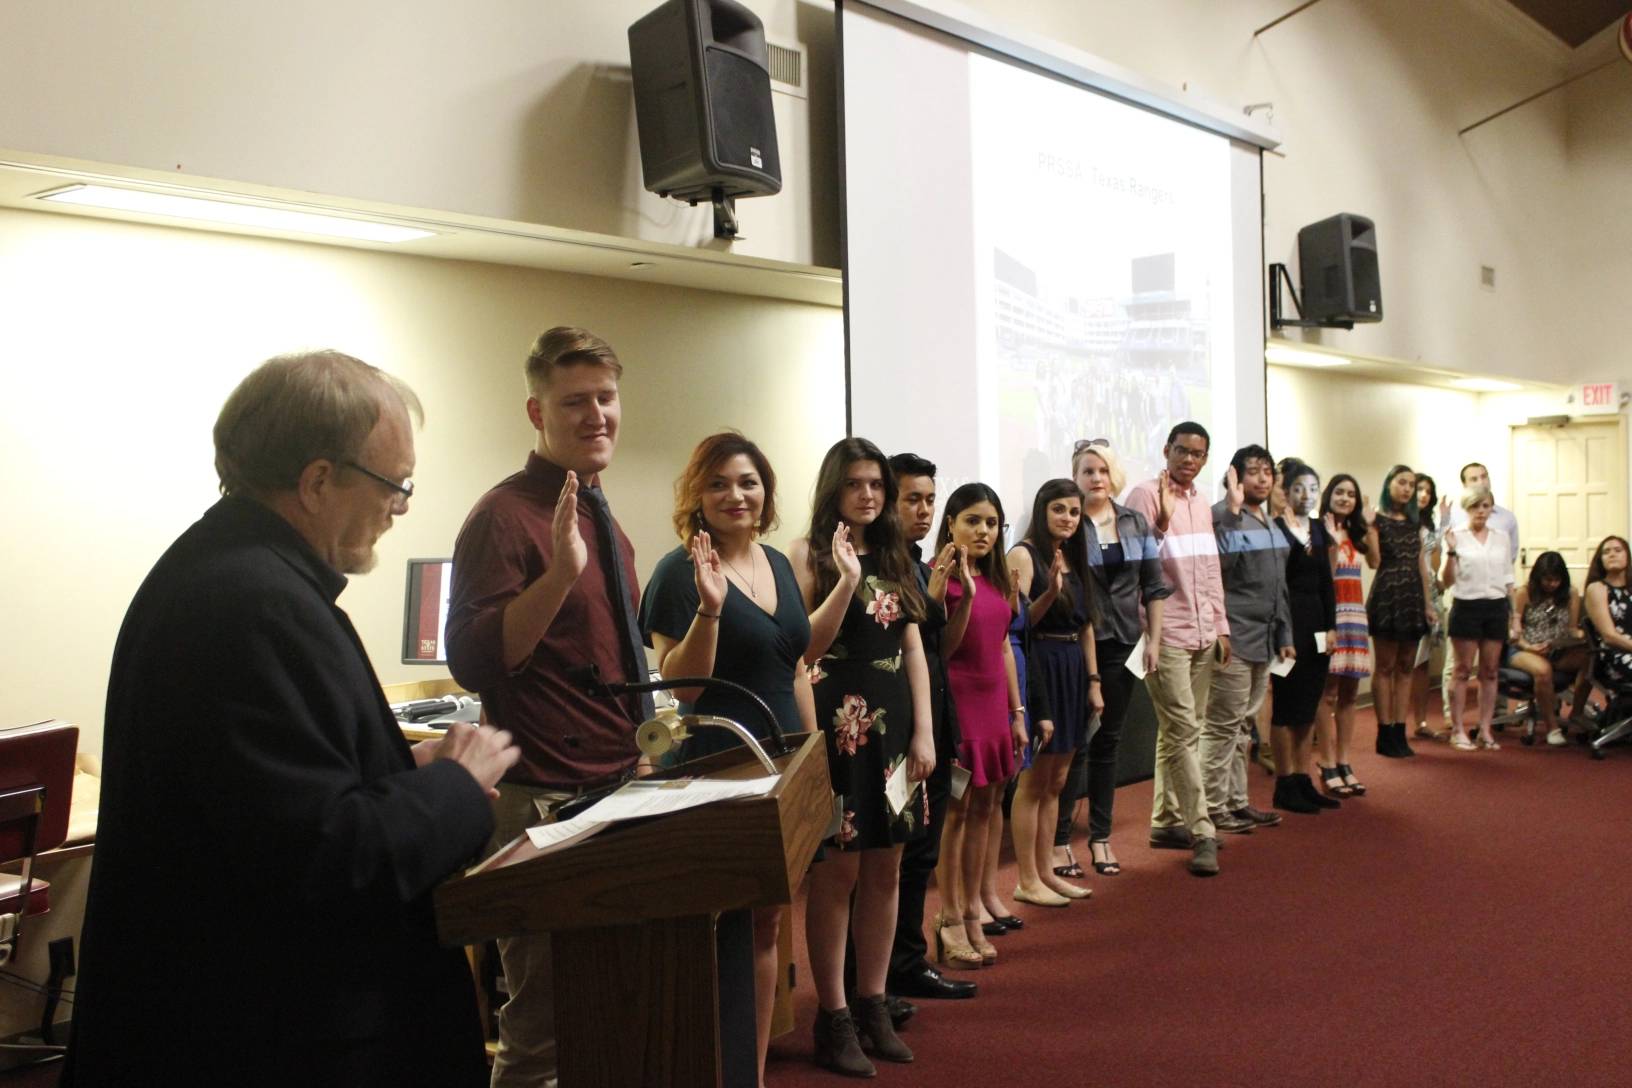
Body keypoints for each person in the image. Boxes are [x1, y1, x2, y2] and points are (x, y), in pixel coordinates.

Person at [66, 351, 518, 1087]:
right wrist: (457, 789)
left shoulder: (229, 572)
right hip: (263, 1040)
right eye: (394, 484)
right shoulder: (252, 605)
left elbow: (272, 807)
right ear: (316, 482)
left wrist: (403, 772)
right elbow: (328, 861)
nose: (399, 508)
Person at [446, 326, 653, 1088]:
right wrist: (559, 574)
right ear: (537, 412)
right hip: (543, 799)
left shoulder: (604, 516)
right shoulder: (504, 517)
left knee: (614, 1009)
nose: (596, 414)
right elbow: (472, 660)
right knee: (542, 1035)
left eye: (606, 397)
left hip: (619, 788)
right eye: (575, 401)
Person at [637, 432, 815, 1087]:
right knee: (719, 933)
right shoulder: (675, 573)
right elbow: (678, 688)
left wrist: (812, 758)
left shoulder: (777, 561)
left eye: (747, 481)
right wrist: (710, 612)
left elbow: (793, 663)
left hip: (782, 759)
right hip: (715, 761)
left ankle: (751, 1073)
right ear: (697, 496)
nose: (735, 495)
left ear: (764, 490)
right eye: (718, 484)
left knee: (767, 921)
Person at [792, 437, 934, 1077]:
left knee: (888, 868)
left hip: (895, 728)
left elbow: (913, 652)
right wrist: (846, 581)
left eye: (877, 484)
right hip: (836, 725)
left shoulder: (898, 555)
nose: (870, 495)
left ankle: (875, 1004)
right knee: (838, 874)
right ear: (833, 490)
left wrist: (925, 733)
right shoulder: (808, 556)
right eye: (856, 484)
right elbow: (802, 648)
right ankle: (834, 1015)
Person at [882, 453, 977, 1001]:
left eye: (928, 499)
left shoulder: (919, 565)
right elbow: (906, 635)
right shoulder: (886, 568)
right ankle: (887, 970)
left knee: (922, 854)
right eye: (911, 498)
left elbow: (942, 644)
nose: (922, 510)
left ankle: (908, 962)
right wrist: (937, 591)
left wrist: (952, 594)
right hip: (899, 730)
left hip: (939, 720)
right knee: (893, 858)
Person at [1056, 440, 1168, 877]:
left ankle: (1100, 839)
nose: (1096, 478)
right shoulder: (1066, 522)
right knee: (1075, 746)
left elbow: (1154, 587)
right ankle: (1061, 840)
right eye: (1087, 471)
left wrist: (1154, 641)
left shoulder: (1134, 522)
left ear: (1113, 475)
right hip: (1077, 646)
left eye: (1102, 470)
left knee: (1109, 743)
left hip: (1125, 644)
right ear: (1075, 477)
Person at [1125, 422, 1229, 877]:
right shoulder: (1144, 495)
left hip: (1205, 634)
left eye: (1198, 454)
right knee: (1185, 729)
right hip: (1165, 635)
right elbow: (1133, 565)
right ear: (1166, 450)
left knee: (1181, 730)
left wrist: (1222, 626)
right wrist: (1162, 523)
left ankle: (1166, 821)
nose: (1189, 460)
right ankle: (1201, 829)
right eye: (1182, 451)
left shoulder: (1203, 501)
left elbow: (1210, 569)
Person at [937, 483, 1034, 948]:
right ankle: (951, 916)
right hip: (959, 708)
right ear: (951, 523)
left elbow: (1003, 647)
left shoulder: (996, 577)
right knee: (955, 815)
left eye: (992, 522)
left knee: (988, 809)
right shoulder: (940, 578)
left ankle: (976, 908)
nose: (983, 531)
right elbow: (943, 650)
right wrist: (967, 598)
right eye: (972, 521)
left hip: (996, 707)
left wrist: (1018, 712)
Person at [1008, 479, 1101, 905]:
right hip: (1039, 667)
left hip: (1073, 670)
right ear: (1042, 510)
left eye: (1074, 512)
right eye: (1059, 510)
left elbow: (1086, 626)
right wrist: (1049, 593)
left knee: (1058, 780)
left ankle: (1046, 872)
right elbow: (1016, 625)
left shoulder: (1075, 556)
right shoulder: (1023, 555)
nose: (1067, 518)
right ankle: (1026, 879)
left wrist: (1095, 682)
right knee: (1034, 780)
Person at [1203, 445, 1292, 834]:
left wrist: (1285, 634)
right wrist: (1235, 514)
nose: (1262, 478)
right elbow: (1221, 566)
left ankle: (1236, 803)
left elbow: (1280, 586)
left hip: (1265, 639)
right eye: (1253, 471)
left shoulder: (1271, 521)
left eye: (1267, 471)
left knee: (1243, 727)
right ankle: (1210, 808)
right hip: (1233, 636)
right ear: (1234, 476)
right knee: (1223, 727)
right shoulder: (1224, 516)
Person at [1269, 461, 1339, 814]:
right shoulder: (1275, 528)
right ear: (1286, 491)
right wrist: (1281, 630)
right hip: (1286, 622)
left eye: (1313, 488)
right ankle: (1284, 782)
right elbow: (1276, 583)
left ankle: (1301, 776)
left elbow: (1327, 581)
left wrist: (1332, 626)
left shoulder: (1318, 528)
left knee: (1309, 703)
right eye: (1299, 488)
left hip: (1316, 622)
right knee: (1286, 703)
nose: (1306, 495)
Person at [1366, 464, 1437, 758]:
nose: (1407, 489)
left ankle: (1399, 729)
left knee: (1407, 666)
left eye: (1411, 484)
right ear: (1389, 485)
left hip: (1412, 599)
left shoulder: (1414, 523)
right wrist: (1369, 527)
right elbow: (1373, 561)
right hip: (1387, 596)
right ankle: (1384, 732)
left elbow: (1422, 565)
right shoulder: (1377, 520)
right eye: (1402, 482)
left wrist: (1428, 603)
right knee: (1384, 667)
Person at [1442, 462, 1521, 725]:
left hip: (1495, 602)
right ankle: (1453, 721)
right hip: (1464, 600)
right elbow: (1446, 573)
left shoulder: (1505, 522)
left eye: (1483, 476)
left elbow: (1507, 568)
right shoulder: (1454, 521)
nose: (1480, 481)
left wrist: (1514, 614)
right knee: (1459, 667)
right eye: (1473, 478)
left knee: (1491, 669)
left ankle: (1491, 721)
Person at [1314, 474, 1378, 798]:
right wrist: (1330, 541)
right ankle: (1325, 762)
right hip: (1328, 617)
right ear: (1329, 495)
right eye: (1339, 492)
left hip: (1355, 615)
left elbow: (1376, 561)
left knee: (1350, 694)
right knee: (1327, 693)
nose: (1345, 498)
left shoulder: (1357, 531)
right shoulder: (1317, 528)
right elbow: (1326, 574)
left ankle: (1344, 761)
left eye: (1351, 494)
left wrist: (1370, 526)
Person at [1506, 551, 1587, 747]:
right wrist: (1530, 647)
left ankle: (1576, 712)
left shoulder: (1571, 593)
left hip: (1556, 649)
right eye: (1547, 580)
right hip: (1523, 648)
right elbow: (1513, 633)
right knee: (1543, 670)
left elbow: (1572, 629)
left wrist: (1579, 637)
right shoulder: (1524, 593)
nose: (1552, 584)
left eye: (1556, 580)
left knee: (1591, 659)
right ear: (1538, 577)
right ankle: (1552, 728)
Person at [1410, 474, 1453, 740]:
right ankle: (1392, 723)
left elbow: (1434, 557)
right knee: (1402, 662)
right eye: (1419, 489)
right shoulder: (1401, 522)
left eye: (1428, 490)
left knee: (1423, 663)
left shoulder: (1428, 525)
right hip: (1407, 594)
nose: (1423, 495)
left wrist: (1445, 522)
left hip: (1431, 595)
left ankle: (1421, 721)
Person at [1584, 536, 1632, 701]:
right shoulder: (1597, 588)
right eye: (1606, 552)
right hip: (1615, 655)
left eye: (1618, 550)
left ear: (1627, 556)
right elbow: (1609, 636)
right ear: (1601, 560)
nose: (1612, 554)